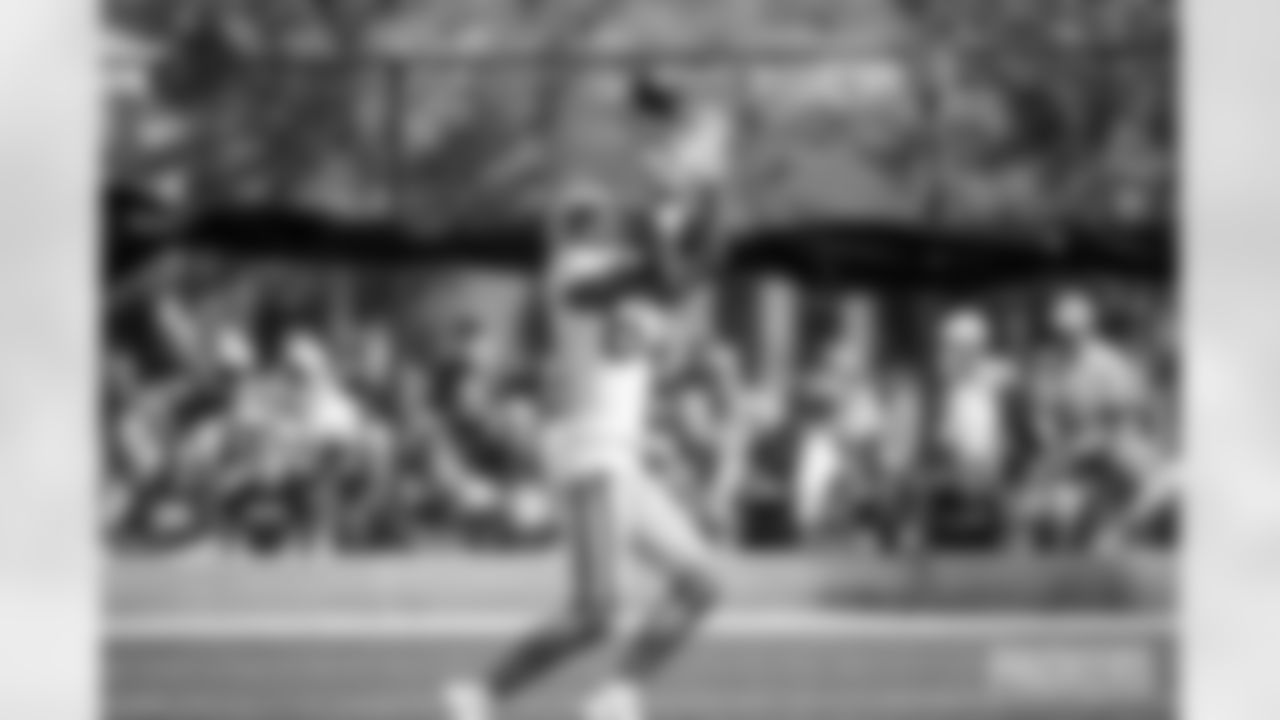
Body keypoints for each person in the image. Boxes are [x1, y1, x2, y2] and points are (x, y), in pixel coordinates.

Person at [443, 177, 725, 720]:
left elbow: (686, 276)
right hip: (591, 450)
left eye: (599, 214)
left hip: (620, 455)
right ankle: (477, 697)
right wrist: (662, 225)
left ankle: (617, 696)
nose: (603, 221)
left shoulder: (627, 273)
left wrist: (712, 201)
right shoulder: (572, 272)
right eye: (589, 216)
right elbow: (659, 278)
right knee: (595, 614)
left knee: (700, 585)